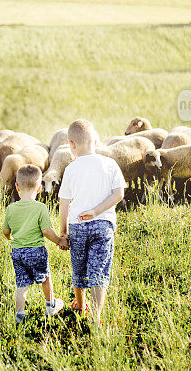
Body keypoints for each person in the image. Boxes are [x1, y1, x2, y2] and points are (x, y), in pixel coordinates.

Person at [58, 119, 125, 323]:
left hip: (77, 226)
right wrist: (96, 211)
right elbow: (119, 193)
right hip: (103, 225)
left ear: (71, 144)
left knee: (78, 267)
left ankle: (80, 305)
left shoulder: (70, 169)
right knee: (99, 269)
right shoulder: (109, 163)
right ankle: (96, 317)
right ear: (95, 141)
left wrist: (63, 232)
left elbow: (64, 204)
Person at [3, 164, 66, 323]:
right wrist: (59, 240)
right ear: (39, 188)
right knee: (45, 278)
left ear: (17, 187)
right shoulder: (40, 208)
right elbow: (46, 231)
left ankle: (19, 315)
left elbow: (5, 231)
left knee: (21, 285)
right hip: (36, 252)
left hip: (17, 252)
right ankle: (50, 305)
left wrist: (10, 237)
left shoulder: (11, 208)